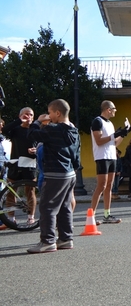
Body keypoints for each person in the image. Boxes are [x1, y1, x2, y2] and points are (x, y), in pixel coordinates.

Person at [25, 99, 80, 253]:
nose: (48, 116)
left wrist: (36, 121)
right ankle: (66, 239)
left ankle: (48, 241)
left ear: (57, 113)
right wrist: (74, 168)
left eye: (49, 113)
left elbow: (31, 135)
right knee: (65, 207)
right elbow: (76, 154)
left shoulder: (53, 129)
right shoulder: (74, 130)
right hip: (69, 173)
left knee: (47, 207)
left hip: (55, 173)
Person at [90, 100, 130, 224]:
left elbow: (114, 143)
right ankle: (91, 215)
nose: (115, 111)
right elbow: (99, 141)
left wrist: (123, 134)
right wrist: (114, 135)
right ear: (108, 109)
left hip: (112, 156)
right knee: (101, 186)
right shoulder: (97, 121)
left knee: (109, 186)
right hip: (102, 157)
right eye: (114, 109)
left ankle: (107, 215)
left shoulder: (110, 123)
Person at [3, 107, 38, 226]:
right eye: (26, 114)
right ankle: (11, 218)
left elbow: (42, 143)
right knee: (11, 192)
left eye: (31, 115)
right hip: (15, 163)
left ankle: (30, 217)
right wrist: (19, 121)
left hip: (30, 164)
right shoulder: (16, 130)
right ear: (20, 116)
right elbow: (4, 130)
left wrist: (36, 150)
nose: (29, 117)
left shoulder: (35, 129)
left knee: (30, 191)